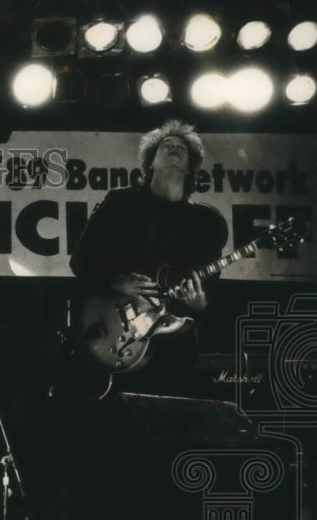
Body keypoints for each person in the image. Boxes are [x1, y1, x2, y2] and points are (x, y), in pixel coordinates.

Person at [69, 119, 229, 394]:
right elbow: (80, 261)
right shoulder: (119, 203)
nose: (174, 148)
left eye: (182, 148)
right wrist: (116, 281)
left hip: (171, 342)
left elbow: (210, 286)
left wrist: (200, 303)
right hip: (113, 327)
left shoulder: (207, 222)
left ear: (191, 167)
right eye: (166, 146)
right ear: (150, 163)